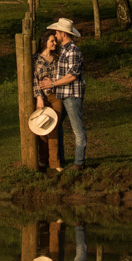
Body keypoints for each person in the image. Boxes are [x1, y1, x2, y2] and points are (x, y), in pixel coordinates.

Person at [38, 18, 86, 169]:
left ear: (63, 34)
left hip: (71, 95)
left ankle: (79, 162)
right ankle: (60, 158)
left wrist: (52, 84)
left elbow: (72, 76)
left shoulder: (73, 51)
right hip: (63, 94)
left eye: (57, 32)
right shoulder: (64, 50)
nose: (55, 35)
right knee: (56, 125)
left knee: (77, 129)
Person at [31, 30, 63, 172]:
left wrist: (53, 82)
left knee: (54, 128)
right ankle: (43, 159)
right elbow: (33, 79)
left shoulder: (57, 58)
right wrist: (38, 97)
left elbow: (61, 76)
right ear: (45, 42)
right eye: (52, 41)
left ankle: (55, 163)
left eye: (55, 41)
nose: (55, 43)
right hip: (42, 97)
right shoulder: (36, 59)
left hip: (55, 96)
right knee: (42, 128)